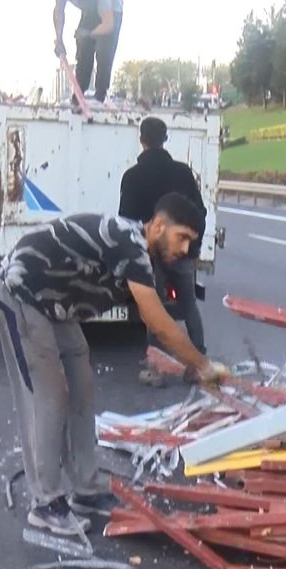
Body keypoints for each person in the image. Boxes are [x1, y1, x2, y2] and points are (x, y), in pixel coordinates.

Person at [0, 195, 227, 536]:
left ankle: (86, 489)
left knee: (82, 385)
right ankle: (45, 503)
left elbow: (155, 316)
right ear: (158, 226)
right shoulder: (129, 241)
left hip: (56, 305)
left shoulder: (144, 257)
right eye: (182, 237)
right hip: (22, 291)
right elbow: (159, 323)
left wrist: (187, 360)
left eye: (192, 241)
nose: (186, 248)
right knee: (49, 396)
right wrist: (203, 366)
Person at [118, 117, 207, 386]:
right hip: (182, 253)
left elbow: (127, 220)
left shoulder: (132, 177)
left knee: (153, 308)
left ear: (142, 139)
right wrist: (194, 245)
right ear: (165, 139)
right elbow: (199, 211)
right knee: (189, 305)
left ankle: (156, 369)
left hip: (152, 254)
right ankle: (198, 365)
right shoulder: (183, 172)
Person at [53, 0, 124, 104]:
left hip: (112, 12)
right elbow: (59, 9)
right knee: (83, 51)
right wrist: (59, 39)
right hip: (90, 11)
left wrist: (88, 34)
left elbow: (108, 25)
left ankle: (101, 96)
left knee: (104, 54)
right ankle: (78, 96)